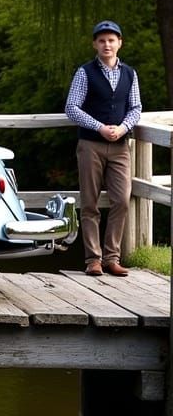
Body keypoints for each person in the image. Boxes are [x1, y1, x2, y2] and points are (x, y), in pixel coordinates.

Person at [64, 20, 142, 276]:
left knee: (121, 200)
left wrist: (122, 128)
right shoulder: (84, 72)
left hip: (120, 146)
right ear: (95, 44)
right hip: (90, 145)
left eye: (111, 40)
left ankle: (112, 257)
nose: (106, 44)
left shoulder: (130, 73)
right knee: (90, 204)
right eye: (101, 40)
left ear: (119, 43)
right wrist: (99, 127)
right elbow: (72, 107)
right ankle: (93, 260)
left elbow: (135, 108)